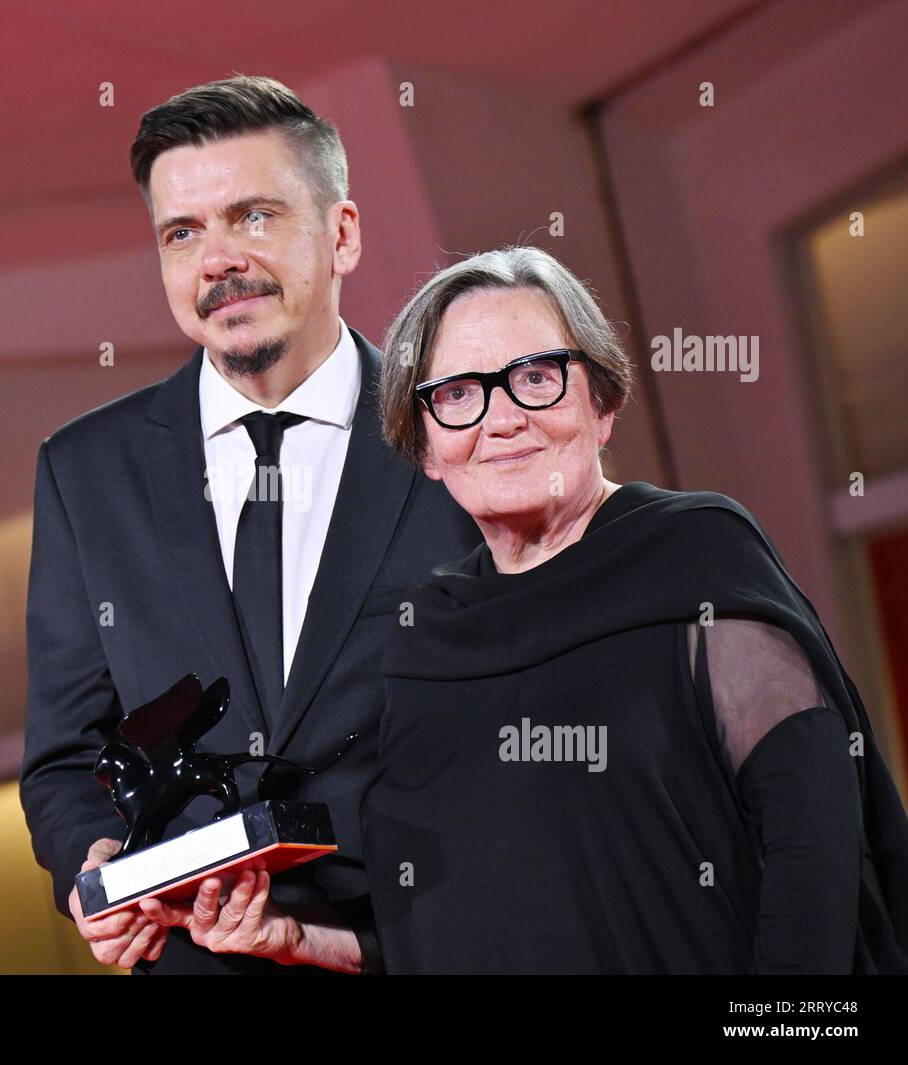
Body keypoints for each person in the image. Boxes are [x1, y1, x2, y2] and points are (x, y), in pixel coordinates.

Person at [19, 75, 482, 974]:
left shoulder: (454, 436)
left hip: (429, 945)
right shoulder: (86, 472)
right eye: (182, 233)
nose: (217, 260)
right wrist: (94, 866)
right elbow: (66, 756)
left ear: (342, 233)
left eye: (254, 217)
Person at [357, 244, 908, 973]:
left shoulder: (699, 552)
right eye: (458, 393)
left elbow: (813, 844)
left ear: (603, 402)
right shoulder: (425, 635)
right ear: (423, 441)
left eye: (536, 377)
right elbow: (450, 907)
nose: (503, 418)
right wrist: (306, 941)